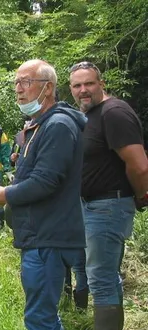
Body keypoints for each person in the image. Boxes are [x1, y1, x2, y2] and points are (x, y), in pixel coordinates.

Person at [0, 59, 87, 330]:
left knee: (39, 318)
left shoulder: (58, 125)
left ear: (49, 88)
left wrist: (4, 194)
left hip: (48, 235)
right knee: (43, 314)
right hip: (38, 234)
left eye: (27, 82)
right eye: (16, 82)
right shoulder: (39, 124)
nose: (19, 89)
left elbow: (45, 182)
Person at [69, 61, 148, 329]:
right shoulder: (91, 113)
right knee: (104, 276)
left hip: (108, 205)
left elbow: (139, 164)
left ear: (101, 83)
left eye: (89, 83)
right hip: (91, 206)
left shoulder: (114, 112)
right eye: (77, 85)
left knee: (100, 278)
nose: (83, 90)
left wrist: (140, 196)